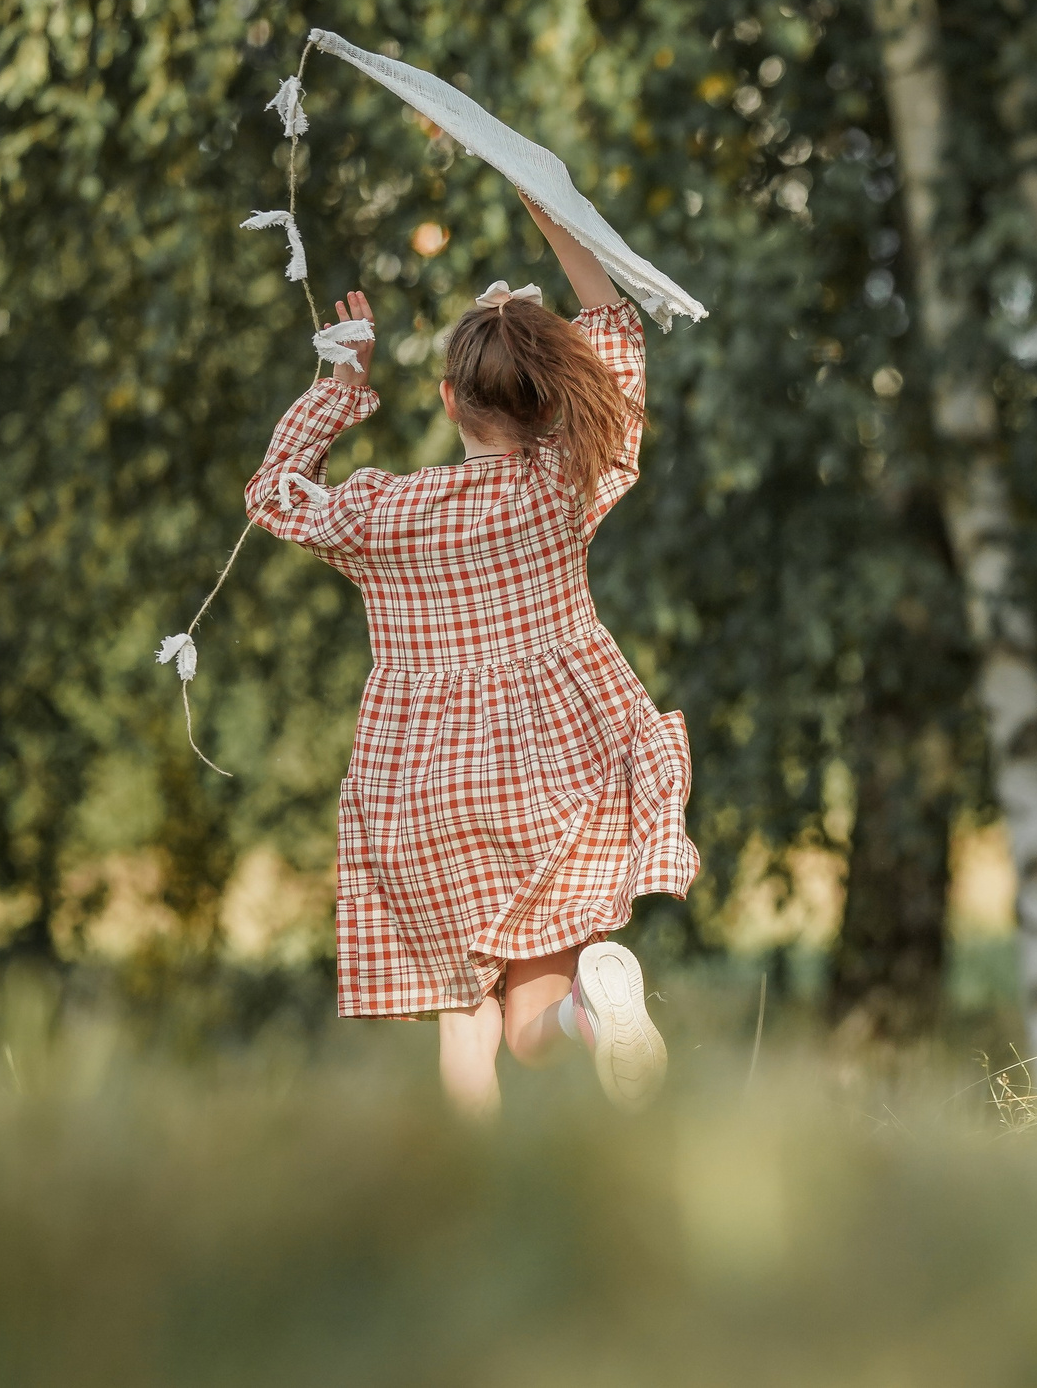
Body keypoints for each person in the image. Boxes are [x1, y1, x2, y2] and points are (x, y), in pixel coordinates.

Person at [247, 194, 698, 1116]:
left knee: (468, 1021)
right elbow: (617, 335)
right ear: (550, 398)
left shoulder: (384, 514)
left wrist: (340, 384)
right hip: (555, 773)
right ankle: (583, 1010)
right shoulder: (557, 486)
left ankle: (475, 1211)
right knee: (535, 1017)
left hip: (425, 795)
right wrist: (556, 209)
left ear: (449, 397)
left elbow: (275, 494)